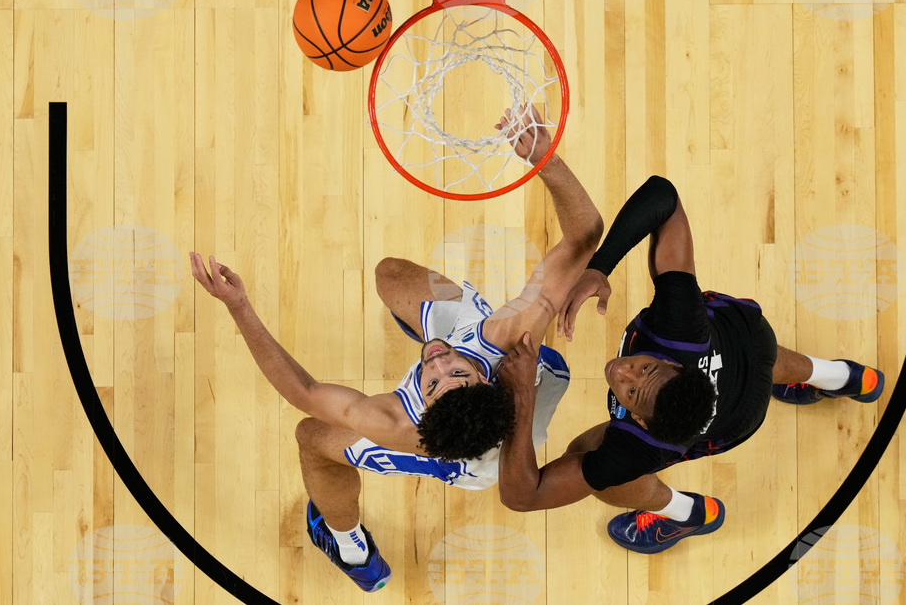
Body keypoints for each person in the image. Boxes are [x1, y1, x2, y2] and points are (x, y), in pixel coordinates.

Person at [189, 105, 603, 591]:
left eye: (433, 379)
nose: (441, 358)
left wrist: (239, 306)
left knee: (313, 438)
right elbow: (585, 234)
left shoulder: (397, 423)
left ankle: (349, 546)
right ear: (487, 376)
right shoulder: (508, 338)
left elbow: (302, 390)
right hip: (515, 392)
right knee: (392, 276)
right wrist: (545, 158)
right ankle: (444, 332)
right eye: (458, 370)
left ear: (421, 407)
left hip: (477, 463)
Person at [496, 175, 885, 554]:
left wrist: (522, 396)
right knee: (759, 357)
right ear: (679, 366)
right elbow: (664, 197)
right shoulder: (679, 324)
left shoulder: (637, 447)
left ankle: (687, 514)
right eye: (646, 368)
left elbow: (523, 496)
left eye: (630, 391)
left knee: (589, 457)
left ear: (641, 422)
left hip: (741, 402)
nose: (621, 370)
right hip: (746, 348)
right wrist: (601, 265)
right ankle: (844, 378)